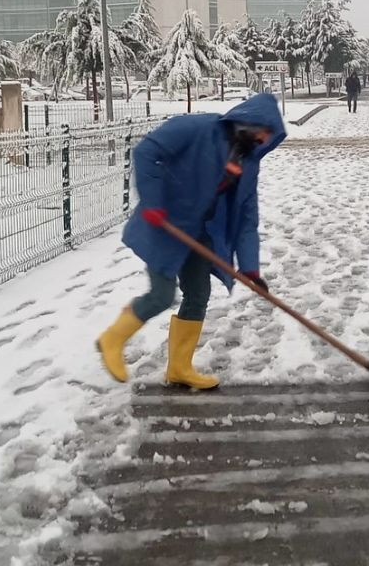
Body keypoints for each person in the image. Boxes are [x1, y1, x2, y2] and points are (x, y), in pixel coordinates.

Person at [97, 92, 287, 389]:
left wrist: (251, 271)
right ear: (250, 121)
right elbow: (147, 151)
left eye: (268, 137)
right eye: (263, 132)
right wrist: (154, 202)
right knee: (161, 294)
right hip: (164, 224)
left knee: (198, 295)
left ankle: (179, 368)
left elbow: (247, 219)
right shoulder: (198, 128)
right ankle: (112, 339)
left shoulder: (247, 164)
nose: (264, 140)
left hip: (200, 234)